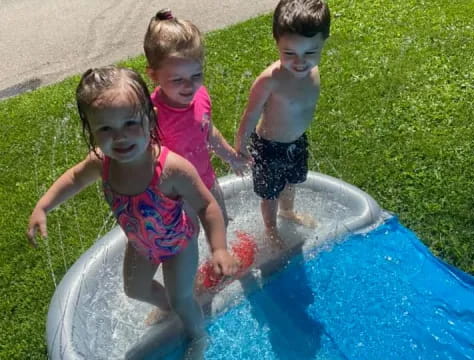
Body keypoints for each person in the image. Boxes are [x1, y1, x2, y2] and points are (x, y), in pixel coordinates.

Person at [26, 66, 238, 358]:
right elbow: (74, 178)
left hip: (178, 243)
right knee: (135, 289)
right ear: (90, 130)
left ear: (150, 118)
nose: (120, 137)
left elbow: (207, 205)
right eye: (105, 129)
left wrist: (219, 248)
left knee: (182, 297)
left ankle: (198, 335)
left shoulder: (169, 169)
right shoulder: (102, 163)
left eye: (130, 123)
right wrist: (44, 205)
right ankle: (167, 308)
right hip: (141, 244)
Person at [235, 0, 331, 248]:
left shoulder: (313, 71)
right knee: (270, 194)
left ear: (323, 42)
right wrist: (240, 148)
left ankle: (287, 212)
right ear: (277, 43)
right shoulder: (269, 81)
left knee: (291, 181)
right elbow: (250, 115)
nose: (300, 62)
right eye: (289, 53)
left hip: (296, 142)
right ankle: (270, 228)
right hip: (269, 146)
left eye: (310, 52)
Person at [143, 9, 249, 226]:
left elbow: (208, 131)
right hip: (175, 193)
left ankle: (219, 257)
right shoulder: (152, 113)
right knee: (188, 236)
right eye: (177, 79)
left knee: (220, 222)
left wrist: (229, 155)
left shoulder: (200, 96)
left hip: (206, 179)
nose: (189, 86)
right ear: (153, 75)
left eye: (196, 75)